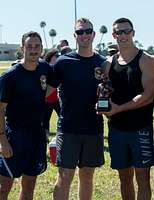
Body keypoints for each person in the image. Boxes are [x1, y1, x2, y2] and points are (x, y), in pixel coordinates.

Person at [98, 18, 154, 200]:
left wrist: (118, 109)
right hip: (116, 130)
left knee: (143, 178)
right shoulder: (107, 63)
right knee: (124, 178)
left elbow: (148, 95)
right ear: (113, 35)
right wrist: (101, 102)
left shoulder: (146, 60)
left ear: (133, 33)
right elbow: (104, 90)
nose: (123, 35)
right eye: (119, 32)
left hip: (140, 129)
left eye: (126, 31)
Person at [50, 18, 105, 200]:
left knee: (87, 177)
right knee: (64, 176)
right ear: (74, 36)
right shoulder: (63, 62)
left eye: (87, 31)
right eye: (80, 32)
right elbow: (47, 93)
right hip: (68, 128)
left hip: (93, 128)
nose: (84, 35)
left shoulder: (103, 63)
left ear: (93, 34)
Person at [0, 31, 50, 200]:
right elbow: (0, 109)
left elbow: (54, 88)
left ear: (42, 49)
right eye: (29, 46)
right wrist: (2, 140)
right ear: (22, 48)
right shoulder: (10, 76)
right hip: (14, 136)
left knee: (29, 185)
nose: (33, 50)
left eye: (37, 46)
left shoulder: (44, 68)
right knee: (3, 187)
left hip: (36, 135)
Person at [43, 49, 60, 137]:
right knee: (46, 120)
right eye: (56, 56)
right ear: (51, 57)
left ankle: (62, 134)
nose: (58, 57)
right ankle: (45, 137)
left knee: (62, 117)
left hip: (55, 99)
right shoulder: (45, 68)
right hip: (46, 100)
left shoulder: (57, 67)